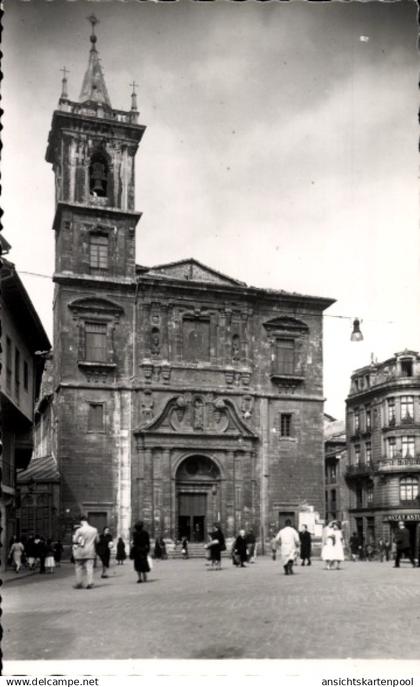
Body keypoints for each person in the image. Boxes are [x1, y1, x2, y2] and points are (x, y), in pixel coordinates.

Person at [72, 514, 99, 589]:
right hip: (90, 551)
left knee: (78, 567)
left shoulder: (79, 530)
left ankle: (79, 583)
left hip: (80, 551)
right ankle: (90, 583)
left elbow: (74, 540)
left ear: (81, 521)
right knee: (89, 568)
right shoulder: (94, 530)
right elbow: (97, 540)